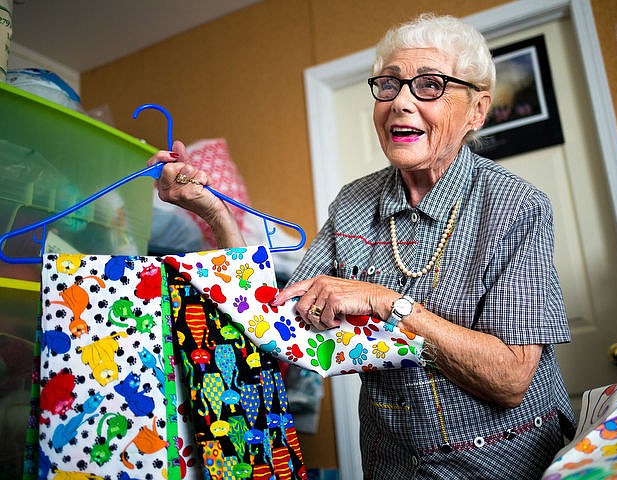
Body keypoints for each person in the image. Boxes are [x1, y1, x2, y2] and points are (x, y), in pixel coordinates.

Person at [149, 13, 576, 479]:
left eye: (430, 85)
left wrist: (386, 302)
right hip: (393, 465)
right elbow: (274, 319)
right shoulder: (353, 202)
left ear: (477, 109)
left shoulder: (517, 206)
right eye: (389, 85)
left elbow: (511, 379)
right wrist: (212, 211)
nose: (401, 103)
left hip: (506, 464)